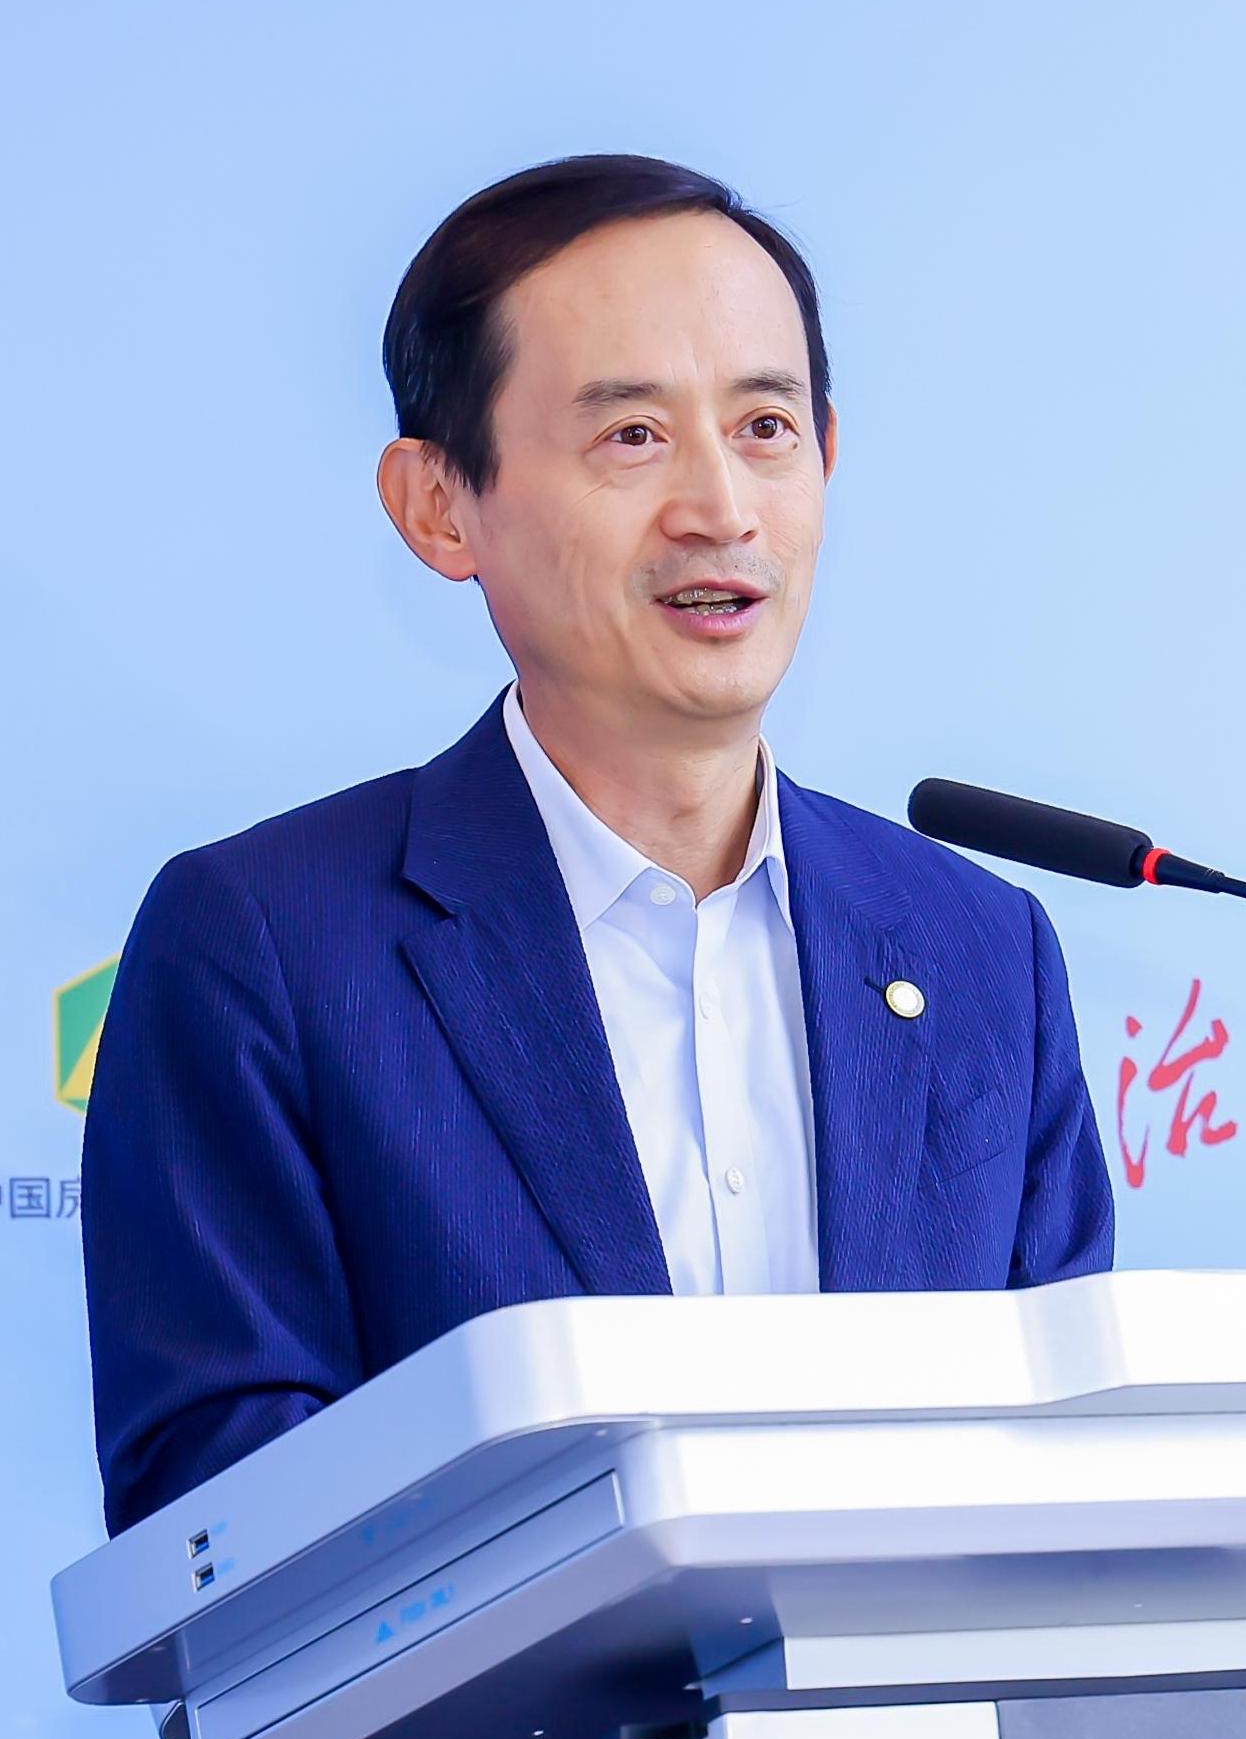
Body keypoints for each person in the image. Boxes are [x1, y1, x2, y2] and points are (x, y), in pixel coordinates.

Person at [81, 153, 1113, 1537]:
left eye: (765, 426)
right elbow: (219, 1526)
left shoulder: (979, 949)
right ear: (440, 506)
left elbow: (1073, 1479)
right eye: (632, 437)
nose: (721, 508)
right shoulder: (266, 945)